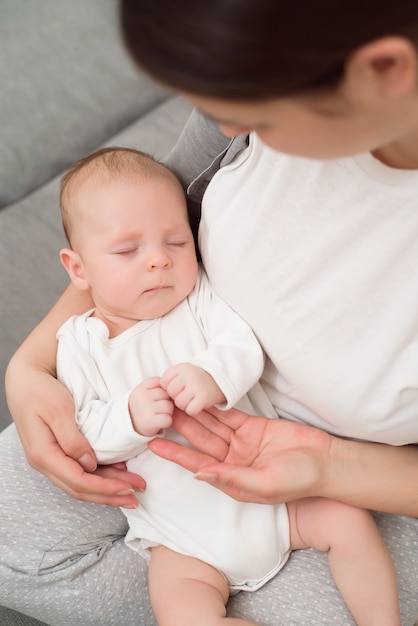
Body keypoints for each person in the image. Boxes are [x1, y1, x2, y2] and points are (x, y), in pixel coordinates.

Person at [3, 0, 418, 624]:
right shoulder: (248, 100)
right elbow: (142, 215)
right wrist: (28, 369)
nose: (224, 129)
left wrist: (333, 466)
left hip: (345, 482)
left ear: (383, 69)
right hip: (173, 512)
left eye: (252, 113)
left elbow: (228, 339)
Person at [56, 146, 400, 626]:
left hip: (279, 499)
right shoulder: (79, 343)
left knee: (349, 522)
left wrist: (212, 375)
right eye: (129, 250)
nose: (159, 260)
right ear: (79, 269)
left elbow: (242, 347)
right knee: (182, 615)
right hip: (183, 540)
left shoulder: (197, 298)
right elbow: (84, 434)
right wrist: (130, 417)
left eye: (176, 242)